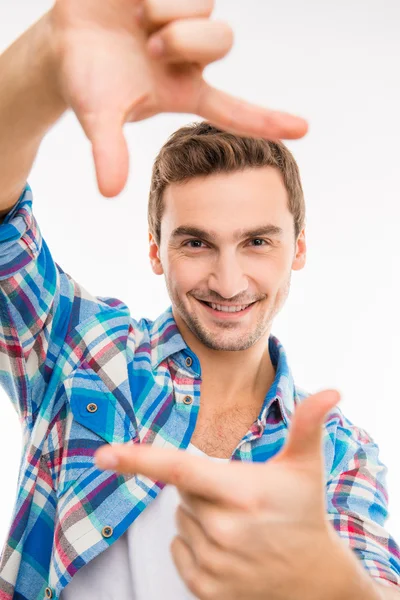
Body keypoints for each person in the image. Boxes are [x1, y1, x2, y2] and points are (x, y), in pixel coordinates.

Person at [0, 1, 398, 600]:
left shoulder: (338, 452)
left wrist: (328, 580)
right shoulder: (84, 349)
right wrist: (43, 60)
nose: (229, 280)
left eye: (257, 242)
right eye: (196, 243)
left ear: (299, 249)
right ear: (157, 251)